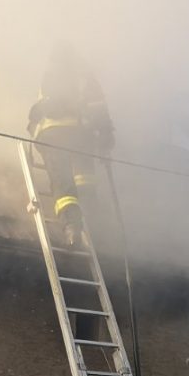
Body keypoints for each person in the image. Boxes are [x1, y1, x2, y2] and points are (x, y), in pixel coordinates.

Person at [27, 47, 115, 246]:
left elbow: (37, 112)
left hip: (52, 137)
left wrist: (33, 130)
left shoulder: (48, 77)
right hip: (81, 137)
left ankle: (72, 228)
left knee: (62, 183)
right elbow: (100, 112)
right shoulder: (86, 79)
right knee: (85, 182)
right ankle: (95, 228)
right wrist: (105, 139)